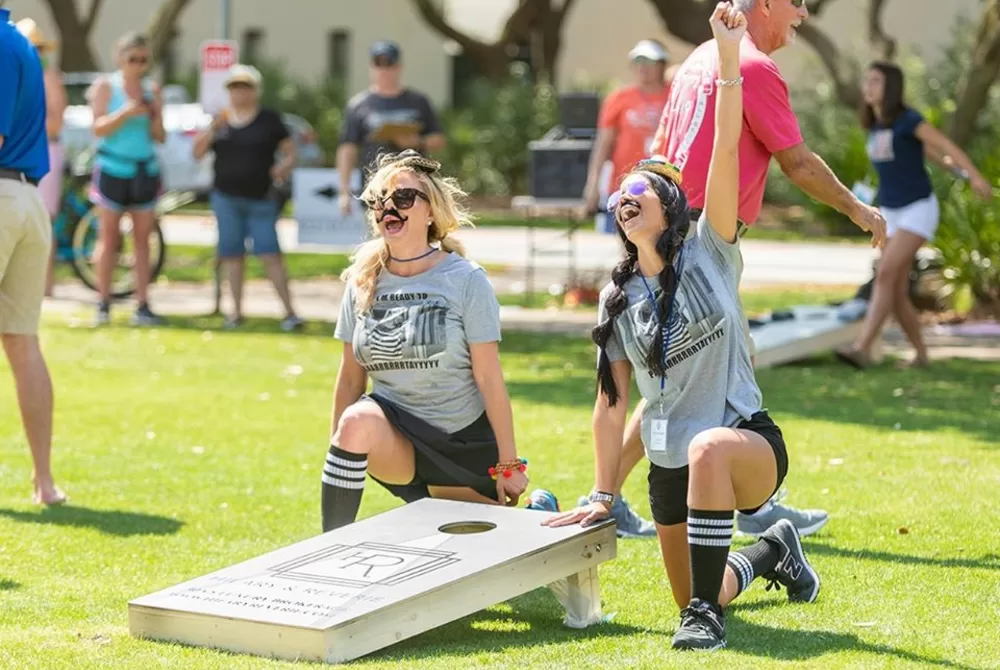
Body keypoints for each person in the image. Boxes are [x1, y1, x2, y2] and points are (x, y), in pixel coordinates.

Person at [545, 5, 820, 652]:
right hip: (671, 466)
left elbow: (726, 145)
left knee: (707, 454)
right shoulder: (617, 295)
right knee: (701, 582)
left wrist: (729, 58)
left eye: (643, 188)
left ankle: (704, 620)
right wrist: (604, 493)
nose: (628, 197)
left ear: (671, 207)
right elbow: (610, 407)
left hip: (743, 445)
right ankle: (770, 553)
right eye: (623, 194)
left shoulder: (711, 249)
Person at [600, 0, 895, 539]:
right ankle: (632, 499)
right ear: (765, 4)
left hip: (673, 230)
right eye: (797, 2)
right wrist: (858, 209)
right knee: (689, 376)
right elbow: (797, 161)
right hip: (700, 239)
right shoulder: (752, 66)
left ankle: (727, 502)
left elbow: (660, 150)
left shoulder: (696, 60)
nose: (804, 13)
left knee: (694, 372)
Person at [323, 150, 541, 532]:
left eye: (404, 198)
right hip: (396, 436)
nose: (390, 207)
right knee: (356, 420)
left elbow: (489, 377)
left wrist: (509, 463)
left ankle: (540, 509)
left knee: (483, 547)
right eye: (380, 200)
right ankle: (328, 549)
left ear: (431, 212)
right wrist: (339, 450)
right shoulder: (361, 280)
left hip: (460, 440)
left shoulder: (466, 280)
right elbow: (349, 380)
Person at [835, 62, 993, 369]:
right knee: (893, 288)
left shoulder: (909, 120)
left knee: (885, 274)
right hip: (890, 210)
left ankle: (861, 348)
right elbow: (924, 154)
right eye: (867, 80)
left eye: (876, 81)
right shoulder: (877, 126)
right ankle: (921, 355)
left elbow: (944, 145)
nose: (868, 86)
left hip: (917, 208)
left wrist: (974, 176)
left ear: (891, 86)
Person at [0, 6, 66, 505]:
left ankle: (45, 481)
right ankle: (44, 482)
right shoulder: (20, 42)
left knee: (23, 346)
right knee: (23, 345)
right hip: (27, 200)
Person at [192, 64, 303, 332]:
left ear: (255, 90)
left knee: (269, 253)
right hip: (226, 197)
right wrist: (212, 129)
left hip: (261, 198)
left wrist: (283, 167)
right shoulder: (220, 121)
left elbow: (290, 151)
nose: (239, 93)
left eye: (245, 87)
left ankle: (289, 313)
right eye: (234, 88)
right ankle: (236, 312)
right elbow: (196, 153)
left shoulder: (269, 120)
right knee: (232, 254)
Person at [88, 32, 165, 327]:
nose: (139, 65)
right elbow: (98, 128)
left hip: (144, 170)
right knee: (108, 238)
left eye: (144, 60)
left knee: (143, 241)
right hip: (112, 169)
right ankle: (103, 301)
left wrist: (154, 115)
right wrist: (125, 113)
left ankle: (142, 304)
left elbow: (160, 136)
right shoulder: (106, 87)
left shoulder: (152, 90)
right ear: (120, 59)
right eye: (133, 59)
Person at [336, 40, 446, 216]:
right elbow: (347, 149)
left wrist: (417, 141)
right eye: (378, 64)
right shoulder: (359, 105)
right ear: (371, 67)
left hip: (414, 185)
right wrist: (344, 191)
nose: (384, 70)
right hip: (376, 186)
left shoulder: (418, 101)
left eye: (389, 64)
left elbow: (438, 139)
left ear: (398, 67)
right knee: (381, 240)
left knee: (413, 240)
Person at [583, 39, 673, 239]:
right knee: (628, 244)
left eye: (649, 61)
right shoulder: (619, 98)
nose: (642, 67)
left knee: (663, 246)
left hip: (664, 184)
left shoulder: (675, 94)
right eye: (637, 61)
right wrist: (592, 185)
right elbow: (603, 144)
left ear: (662, 65)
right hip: (625, 184)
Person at [15, 19, 66, 298]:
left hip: (45, 152)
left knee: (43, 217)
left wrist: (20, 129)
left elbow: (56, 123)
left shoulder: (48, 78)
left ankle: (45, 285)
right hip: (29, 152)